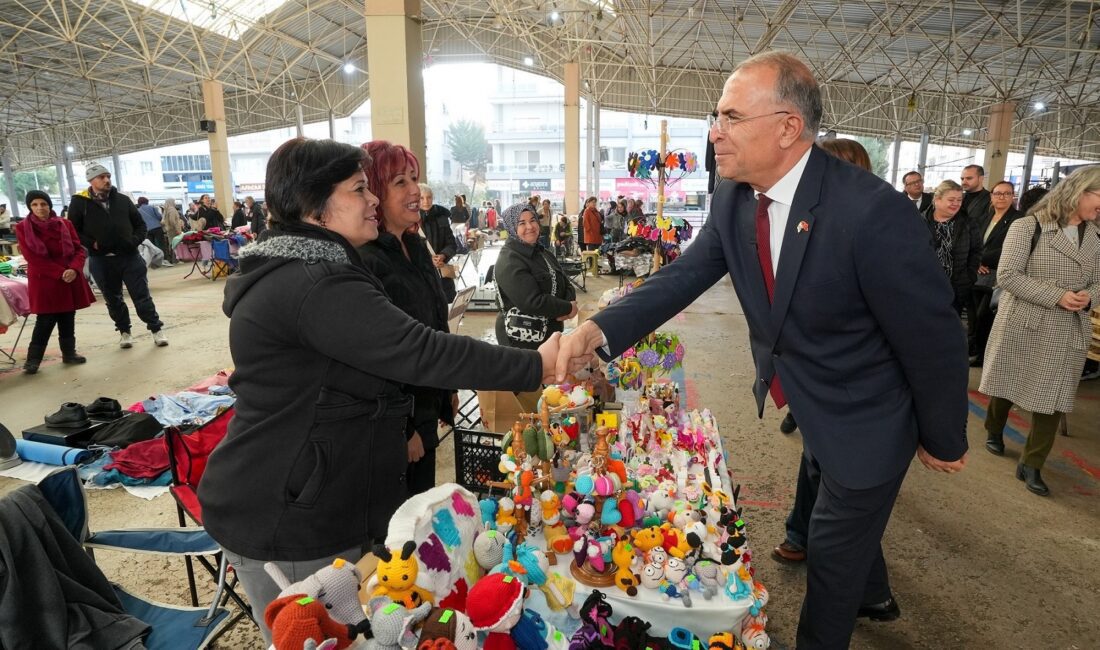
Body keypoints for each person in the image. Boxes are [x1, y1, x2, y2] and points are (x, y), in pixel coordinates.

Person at [556, 51, 968, 649]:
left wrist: (943, 435)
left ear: (786, 127)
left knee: (831, 555)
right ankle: (873, 588)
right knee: (843, 532)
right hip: (806, 398)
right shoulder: (733, 197)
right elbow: (682, 278)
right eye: (714, 114)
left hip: (867, 414)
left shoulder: (870, 212)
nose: (714, 131)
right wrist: (599, 331)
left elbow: (931, 337)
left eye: (729, 116)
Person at [197, 137, 572, 644]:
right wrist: (536, 365)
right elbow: (421, 350)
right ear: (314, 207)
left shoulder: (328, 268)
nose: (373, 197)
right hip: (286, 514)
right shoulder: (315, 284)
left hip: (320, 496)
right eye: (358, 189)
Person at [772, 137, 875, 565]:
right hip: (814, 372)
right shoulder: (805, 220)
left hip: (856, 377)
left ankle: (864, 583)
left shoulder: (871, 223)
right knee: (818, 462)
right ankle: (801, 533)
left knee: (844, 484)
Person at [979, 166, 1100, 496]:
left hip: (1069, 327)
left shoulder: (1094, 236)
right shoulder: (1028, 226)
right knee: (1008, 383)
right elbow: (1008, 276)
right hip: (1026, 322)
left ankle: (1032, 463)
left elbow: (1099, 280)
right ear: (1080, 192)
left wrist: (1090, 295)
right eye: (1099, 196)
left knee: (1054, 397)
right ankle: (994, 427)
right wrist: (1057, 295)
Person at [359, 142, 456, 498]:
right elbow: (377, 358)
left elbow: (435, 324)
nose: (415, 189)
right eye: (400, 182)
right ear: (373, 194)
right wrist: (403, 429)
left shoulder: (416, 247)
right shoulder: (367, 261)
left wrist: (447, 391)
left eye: (414, 178)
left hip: (426, 405)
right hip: (398, 422)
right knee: (402, 527)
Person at [68, 163, 168, 348]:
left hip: (129, 257)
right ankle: (124, 332)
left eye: (108, 176)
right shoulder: (79, 203)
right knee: (112, 298)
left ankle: (156, 329)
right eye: (101, 177)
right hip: (101, 260)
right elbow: (73, 230)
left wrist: (134, 241)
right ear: (91, 180)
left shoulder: (122, 200)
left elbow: (141, 225)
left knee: (141, 296)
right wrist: (92, 243)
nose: (106, 180)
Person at [13, 190, 95, 374]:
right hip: (45, 279)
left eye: (43, 203)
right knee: (45, 320)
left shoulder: (65, 224)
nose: (40, 208)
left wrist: (74, 269)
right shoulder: (22, 228)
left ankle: (69, 353)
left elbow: (79, 250)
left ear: (49, 205)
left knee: (67, 316)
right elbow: (32, 257)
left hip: (69, 277)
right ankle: (33, 360)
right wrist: (60, 273)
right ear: (29, 207)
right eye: (34, 204)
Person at [495, 203, 577, 350]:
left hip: (549, 336)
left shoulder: (543, 253)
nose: (530, 226)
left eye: (533, 220)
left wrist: (568, 304)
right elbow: (532, 302)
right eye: (522, 223)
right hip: (522, 342)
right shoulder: (509, 260)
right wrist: (568, 308)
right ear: (511, 228)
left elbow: (565, 283)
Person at [969, 181, 1023, 367]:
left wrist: (980, 260)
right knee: (974, 314)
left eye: (1006, 194)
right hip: (978, 273)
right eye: (998, 193)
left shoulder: (1018, 220)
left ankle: (985, 355)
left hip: (1000, 274)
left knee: (986, 316)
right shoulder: (985, 217)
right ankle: (974, 349)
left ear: (1012, 196)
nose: (1001, 197)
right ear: (991, 196)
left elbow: (1008, 249)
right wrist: (976, 262)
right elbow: (972, 242)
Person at [924, 180, 981, 318]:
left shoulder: (968, 223)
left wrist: (969, 278)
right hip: (925, 287)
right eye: (951, 200)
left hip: (956, 289)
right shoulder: (920, 222)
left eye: (959, 200)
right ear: (937, 200)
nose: (956, 203)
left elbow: (976, 251)